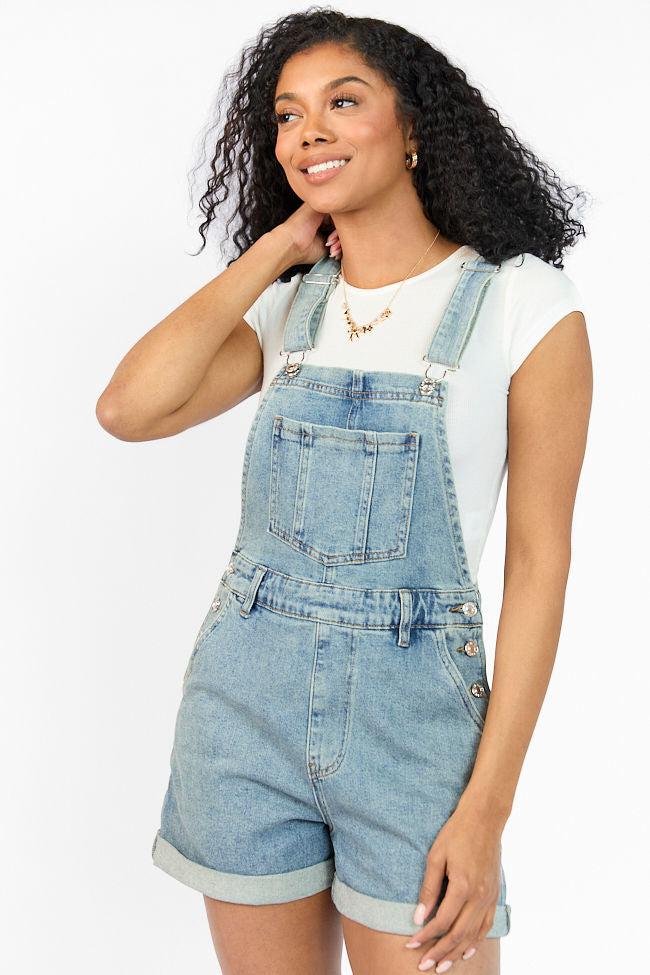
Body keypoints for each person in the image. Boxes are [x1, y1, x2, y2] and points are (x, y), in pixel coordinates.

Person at [96, 10, 592, 975]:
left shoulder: (522, 303)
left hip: (415, 735)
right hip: (244, 717)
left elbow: (540, 565)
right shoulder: (292, 304)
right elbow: (128, 408)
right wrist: (274, 252)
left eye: (343, 102)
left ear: (413, 129)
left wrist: (486, 811)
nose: (307, 132)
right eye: (288, 115)